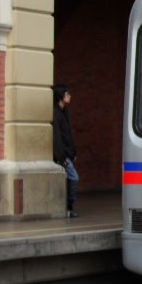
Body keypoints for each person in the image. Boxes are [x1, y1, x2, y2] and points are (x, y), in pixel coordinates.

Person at [52, 84, 79, 217]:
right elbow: (57, 137)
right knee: (74, 178)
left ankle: (68, 208)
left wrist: (74, 152)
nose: (70, 96)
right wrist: (61, 157)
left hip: (69, 153)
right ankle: (69, 206)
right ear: (61, 96)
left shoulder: (65, 112)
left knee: (70, 179)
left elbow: (69, 134)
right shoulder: (55, 113)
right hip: (63, 155)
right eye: (67, 94)